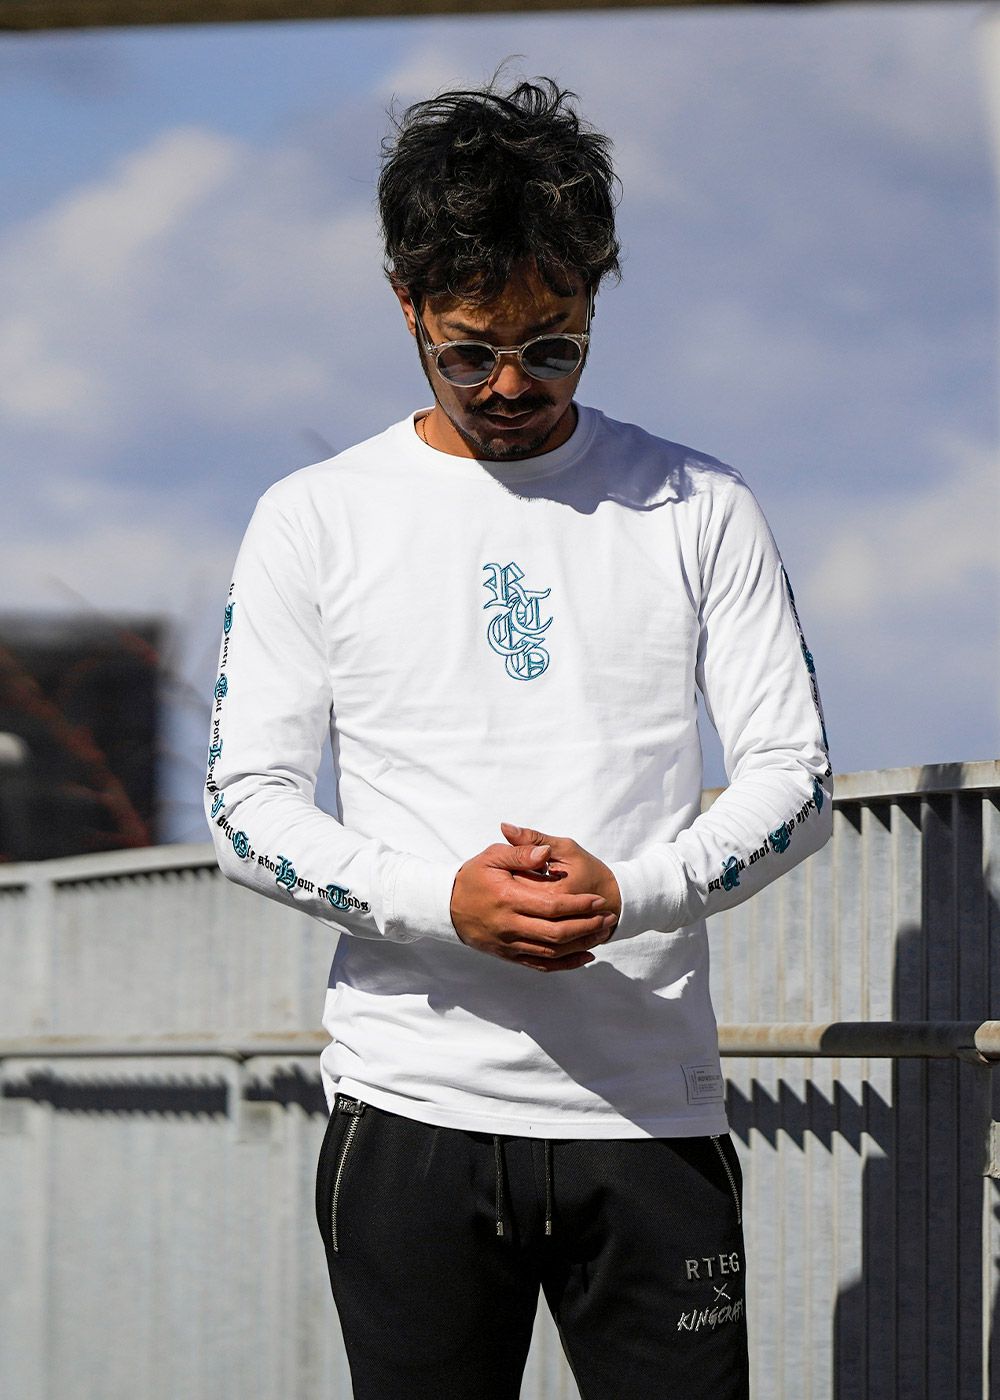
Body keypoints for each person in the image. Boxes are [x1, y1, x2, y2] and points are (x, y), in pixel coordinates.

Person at [205, 77, 832, 1400]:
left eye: (553, 349)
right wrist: (443, 901)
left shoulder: (699, 503)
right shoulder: (314, 517)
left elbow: (795, 780)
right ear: (406, 304)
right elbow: (246, 805)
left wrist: (634, 892)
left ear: (595, 298)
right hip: (412, 1115)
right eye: (467, 352)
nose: (508, 386)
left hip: (651, 1116)